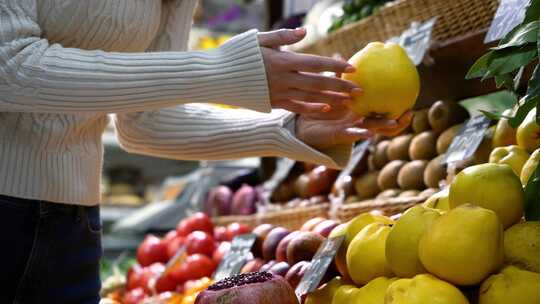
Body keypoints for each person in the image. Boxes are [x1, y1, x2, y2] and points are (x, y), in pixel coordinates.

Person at [0, 0, 410, 303]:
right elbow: (9, 67)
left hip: (72, 227)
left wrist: (289, 129)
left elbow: (146, 122)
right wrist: (218, 71)